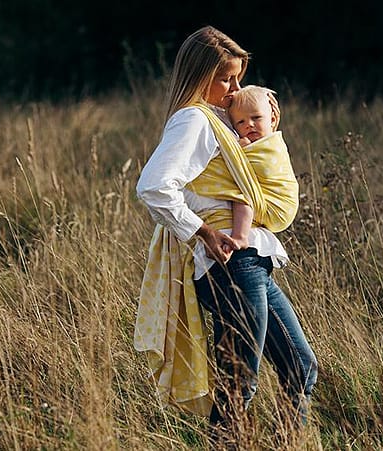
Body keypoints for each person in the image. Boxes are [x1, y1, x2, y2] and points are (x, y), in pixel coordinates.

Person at [132, 26, 318, 441]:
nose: (235, 89)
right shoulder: (194, 120)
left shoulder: (215, 118)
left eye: (238, 78)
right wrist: (202, 232)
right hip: (232, 264)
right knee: (239, 383)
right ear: (200, 75)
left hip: (251, 263)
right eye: (226, 78)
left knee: (300, 367)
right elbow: (153, 186)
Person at [226, 85, 289, 251]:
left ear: (273, 119)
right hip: (271, 211)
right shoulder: (258, 140)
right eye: (241, 122)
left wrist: (241, 150)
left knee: (242, 195)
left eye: (257, 117)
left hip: (277, 203)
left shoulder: (272, 144)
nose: (249, 125)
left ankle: (240, 237)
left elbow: (263, 167)